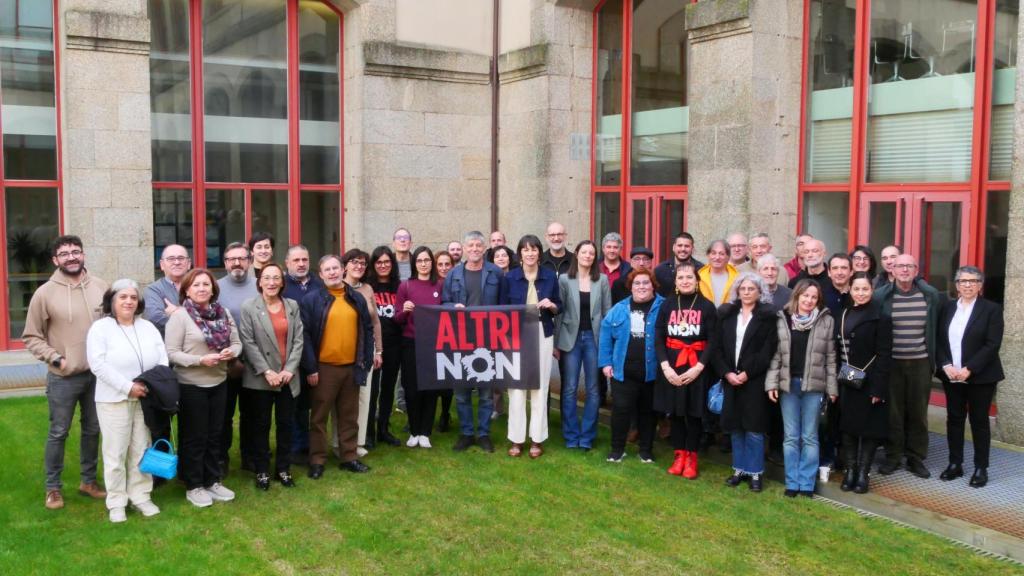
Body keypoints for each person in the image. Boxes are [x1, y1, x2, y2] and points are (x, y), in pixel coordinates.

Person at [23, 235, 109, 510]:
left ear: (83, 254)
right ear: (55, 260)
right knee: (59, 432)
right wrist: (56, 359)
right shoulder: (44, 293)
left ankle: (88, 481)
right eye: (65, 253)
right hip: (64, 376)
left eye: (76, 252)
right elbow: (31, 336)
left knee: (93, 429)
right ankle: (53, 488)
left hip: (97, 375)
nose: (71, 257)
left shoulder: (101, 287)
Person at [87, 279, 166, 522]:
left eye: (133, 297)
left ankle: (141, 495)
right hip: (114, 399)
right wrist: (127, 386)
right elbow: (97, 364)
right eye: (122, 297)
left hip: (144, 397)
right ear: (112, 301)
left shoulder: (148, 327)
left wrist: (150, 384)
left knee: (141, 448)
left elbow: (162, 358)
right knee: (115, 452)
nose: (129, 301)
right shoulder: (100, 329)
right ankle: (117, 501)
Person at [165, 268, 242, 508]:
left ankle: (212, 480)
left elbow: (237, 342)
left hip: (219, 382)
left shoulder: (223, 313)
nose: (201, 289)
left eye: (205, 285)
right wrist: (200, 360)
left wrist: (231, 352)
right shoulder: (180, 316)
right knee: (194, 437)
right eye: (196, 285)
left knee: (215, 435)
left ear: (213, 288)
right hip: (191, 386)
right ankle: (193, 484)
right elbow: (171, 353)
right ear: (187, 290)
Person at [300, 255, 375, 478]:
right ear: (320, 275)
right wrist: (311, 367)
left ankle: (349, 457)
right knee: (319, 417)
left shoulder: (356, 298)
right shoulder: (312, 300)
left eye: (335, 268)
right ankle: (317, 460)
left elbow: (367, 329)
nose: (332, 272)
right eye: (327, 270)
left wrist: (366, 361)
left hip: (352, 366)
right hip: (324, 368)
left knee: (349, 415)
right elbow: (304, 336)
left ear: (343, 270)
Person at [874, 254, 944, 478]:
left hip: (920, 362)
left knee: (918, 412)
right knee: (893, 412)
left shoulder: (929, 296)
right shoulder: (881, 297)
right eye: (899, 266)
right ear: (892, 270)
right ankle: (893, 456)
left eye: (909, 266)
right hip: (892, 362)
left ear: (916, 271)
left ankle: (915, 457)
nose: (904, 270)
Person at [766, 280, 838, 498]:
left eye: (814, 297)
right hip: (789, 384)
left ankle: (807, 483)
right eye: (805, 296)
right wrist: (772, 383)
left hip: (814, 386)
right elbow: (777, 354)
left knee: (809, 436)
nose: (809, 300)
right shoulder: (783, 319)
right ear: (797, 296)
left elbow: (831, 358)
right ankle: (792, 481)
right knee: (790, 436)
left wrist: (832, 387)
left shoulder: (826, 321)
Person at [238, 263, 305, 491]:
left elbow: (298, 340)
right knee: (261, 426)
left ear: (282, 282)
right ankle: (262, 471)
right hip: (260, 379)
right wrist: (267, 371)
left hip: (287, 377)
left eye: (276, 278)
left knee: (286, 425)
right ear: (259, 282)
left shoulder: (292, 306)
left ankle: (284, 468)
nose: (272, 282)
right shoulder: (249, 306)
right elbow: (247, 342)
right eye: (267, 278)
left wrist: (289, 369)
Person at [936, 266, 1003, 488]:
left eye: (973, 281)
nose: (967, 285)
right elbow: (937, 339)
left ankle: (981, 467)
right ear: (956, 285)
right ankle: (955, 464)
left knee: (979, 421)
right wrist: (945, 364)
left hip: (980, 376)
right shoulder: (946, 308)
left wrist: (970, 368)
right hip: (951, 375)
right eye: (963, 281)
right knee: (954, 419)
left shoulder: (991, 310)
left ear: (980, 285)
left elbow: (992, 344)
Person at [713, 273, 779, 493]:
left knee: (754, 428)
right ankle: (738, 469)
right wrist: (726, 373)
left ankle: (755, 472)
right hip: (730, 378)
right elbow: (717, 348)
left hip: (754, 380)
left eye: (752, 289)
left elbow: (767, 350)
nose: (747, 292)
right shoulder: (727, 315)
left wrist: (747, 373)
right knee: (735, 427)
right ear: (737, 291)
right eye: (743, 288)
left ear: (760, 292)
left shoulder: (768, 318)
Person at [442, 231, 506, 453]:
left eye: (479, 245)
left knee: (486, 391)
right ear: (465, 248)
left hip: (488, 338)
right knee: (462, 391)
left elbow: (504, 305)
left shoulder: (496, 273)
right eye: (471, 245)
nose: (475, 249)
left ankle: (484, 434)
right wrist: (452, 308)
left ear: (484, 247)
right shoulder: (453, 274)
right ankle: (467, 433)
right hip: (461, 339)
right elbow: (445, 302)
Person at [654, 263, 717, 479]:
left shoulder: (707, 307)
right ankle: (679, 455)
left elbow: (713, 341)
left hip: (696, 369)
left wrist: (699, 368)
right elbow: (659, 336)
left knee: (694, 414)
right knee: (677, 414)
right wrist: (665, 367)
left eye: (689, 277)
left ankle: (692, 457)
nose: (685, 281)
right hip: (672, 367)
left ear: (697, 280)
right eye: (680, 277)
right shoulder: (668, 305)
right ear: (676, 281)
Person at [502, 234, 561, 458]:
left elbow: (560, 306)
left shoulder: (549, 277)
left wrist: (552, 305)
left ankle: (537, 439)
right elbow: (501, 310)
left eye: (534, 249)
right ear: (520, 254)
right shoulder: (510, 278)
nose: (530, 253)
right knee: (516, 387)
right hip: (516, 334)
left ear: (539, 253)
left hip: (542, 332)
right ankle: (517, 439)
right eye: (525, 249)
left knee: (540, 386)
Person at [599, 268, 663, 463]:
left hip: (652, 372)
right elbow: (605, 335)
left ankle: (646, 450)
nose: (641, 286)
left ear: (653, 285)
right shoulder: (619, 308)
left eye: (646, 282)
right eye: (637, 283)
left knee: (648, 412)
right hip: (623, 370)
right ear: (631, 287)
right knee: (621, 410)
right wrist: (605, 363)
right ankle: (617, 449)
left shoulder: (664, 307)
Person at [837, 272, 892, 494]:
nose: (861, 293)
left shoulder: (882, 317)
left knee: (869, 430)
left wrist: (878, 387)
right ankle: (850, 471)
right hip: (847, 381)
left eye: (865, 289)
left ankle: (863, 474)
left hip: (870, 382)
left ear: (872, 291)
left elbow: (885, 354)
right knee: (848, 428)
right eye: (857, 289)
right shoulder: (844, 314)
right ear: (850, 290)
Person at [556, 240, 611, 450]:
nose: (588, 255)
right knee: (569, 389)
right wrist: (555, 342)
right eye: (584, 252)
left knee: (593, 389)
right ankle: (571, 435)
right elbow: (559, 313)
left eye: (591, 253)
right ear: (577, 254)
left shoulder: (602, 280)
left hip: (594, 339)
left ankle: (587, 436)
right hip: (571, 338)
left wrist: (607, 345)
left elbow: (607, 313)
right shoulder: (564, 279)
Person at [395, 246, 444, 448]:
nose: (423, 264)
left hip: (433, 344)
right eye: (419, 261)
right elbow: (397, 318)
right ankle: (414, 430)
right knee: (412, 387)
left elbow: (446, 311)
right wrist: (405, 311)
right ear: (415, 264)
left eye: (427, 260)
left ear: (431, 263)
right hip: (410, 342)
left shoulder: (440, 285)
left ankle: (425, 432)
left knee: (430, 388)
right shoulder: (405, 286)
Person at [216, 242, 258, 474]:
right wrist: (230, 358)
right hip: (227, 362)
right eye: (232, 259)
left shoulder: (260, 286)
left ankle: (249, 456)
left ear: (250, 261)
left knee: (251, 413)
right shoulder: (216, 288)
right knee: (224, 414)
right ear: (225, 263)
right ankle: (221, 458)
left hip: (255, 362)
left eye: (241, 258)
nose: (237, 263)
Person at [282, 244, 323, 463]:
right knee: (295, 403)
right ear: (287, 263)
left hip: (319, 351)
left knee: (314, 402)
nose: (301, 264)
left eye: (304, 260)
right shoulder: (282, 286)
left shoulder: (319, 283)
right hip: (292, 354)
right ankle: (298, 446)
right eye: (296, 260)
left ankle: (314, 444)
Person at [341, 250, 383, 458]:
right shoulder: (338, 288)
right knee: (343, 400)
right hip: (344, 352)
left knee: (364, 398)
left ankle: (358, 442)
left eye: (363, 263)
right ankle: (338, 443)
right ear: (345, 265)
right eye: (354, 262)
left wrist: (379, 350)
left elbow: (375, 321)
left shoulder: (367, 289)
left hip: (367, 351)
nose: (359, 266)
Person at [366, 246, 403, 447]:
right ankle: (369, 432)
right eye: (379, 262)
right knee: (372, 389)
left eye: (387, 262)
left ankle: (383, 429)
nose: (383, 265)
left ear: (392, 264)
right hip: (372, 345)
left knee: (388, 388)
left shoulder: (399, 286)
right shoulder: (367, 286)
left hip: (394, 343)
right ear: (373, 265)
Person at [144, 244, 191, 335]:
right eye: (171, 259)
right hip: (167, 346)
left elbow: (209, 313)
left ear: (188, 264)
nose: (177, 262)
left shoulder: (200, 287)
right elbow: (156, 318)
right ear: (162, 265)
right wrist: (195, 322)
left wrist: (177, 311)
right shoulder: (153, 290)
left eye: (181, 258)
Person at [434, 249, 456, 432]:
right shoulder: (431, 283)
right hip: (431, 335)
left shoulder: (456, 282)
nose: (443, 268)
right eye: (440, 264)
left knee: (448, 378)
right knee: (432, 378)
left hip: (451, 335)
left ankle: (445, 414)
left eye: (447, 264)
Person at [654, 232, 704, 298]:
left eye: (687, 246)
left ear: (692, 249)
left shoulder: (701, 269)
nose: (683, 249)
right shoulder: (660, 270)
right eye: (680, 245)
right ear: (674, 247)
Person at [697, 239, 739, 306]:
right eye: (713, 253)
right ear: (708, 255)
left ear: (728, 257)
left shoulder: (738, 278)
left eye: (721, 254)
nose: (717, 257)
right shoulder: (698, 277)